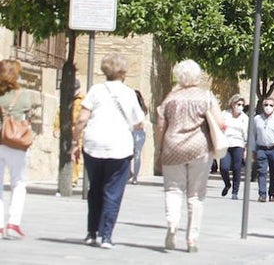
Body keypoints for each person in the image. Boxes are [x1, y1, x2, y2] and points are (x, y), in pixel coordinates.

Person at [72, 53, 146, 249]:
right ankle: (106, 236)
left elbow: (81, 119)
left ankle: (91, 233)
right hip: (119, 147)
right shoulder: (129, 93)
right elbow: (139, 122)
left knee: (94, 188)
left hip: (93, 145)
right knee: (113, 191)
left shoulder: (95, 90)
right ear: (123, 71)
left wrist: (74, 143)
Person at [156, 59, 224, 252]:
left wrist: (159, 150)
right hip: (199, 148)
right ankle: (192, 239)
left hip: (172, 148)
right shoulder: (206, 96)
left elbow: (161, 126)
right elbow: (219, 122)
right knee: (196, 195)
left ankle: (172, 223)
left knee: (173, 189)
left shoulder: (170, 98)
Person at [0, 59, 39, 240]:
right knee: (18, 182)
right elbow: (29, 112)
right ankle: (13, 224)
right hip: (16, 144)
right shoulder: (23, 95)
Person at [252, 96, 274, 203]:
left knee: (273, 172)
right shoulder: (257, 119)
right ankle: (262, 194)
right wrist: (252, 150)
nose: (268, 107)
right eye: (266, 105)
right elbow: (253, 135)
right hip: (261, 149)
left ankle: (272, 193)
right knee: (261, 171)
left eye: (271, 105)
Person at [219, 94, 247, 199]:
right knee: (223, 167)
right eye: (238, 104)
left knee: (237, 168)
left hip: (238, 144)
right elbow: (219, 127)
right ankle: (227, 184)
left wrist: (246, 148)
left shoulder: (245, 118)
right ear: (232, 104)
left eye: (242, 105)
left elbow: (246, 134)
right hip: (225, 143)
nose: (240, 106)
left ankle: (235, 192)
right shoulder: (224, 114)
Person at [129, 89, 148, 185]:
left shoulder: (139, 109)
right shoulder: (139, 108)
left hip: (137, 133)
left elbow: (140, 125)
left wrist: (130, 126)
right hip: (136, 133)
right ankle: (132, 174)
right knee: (132, 155)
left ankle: (134, 176)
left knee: (135, 154)